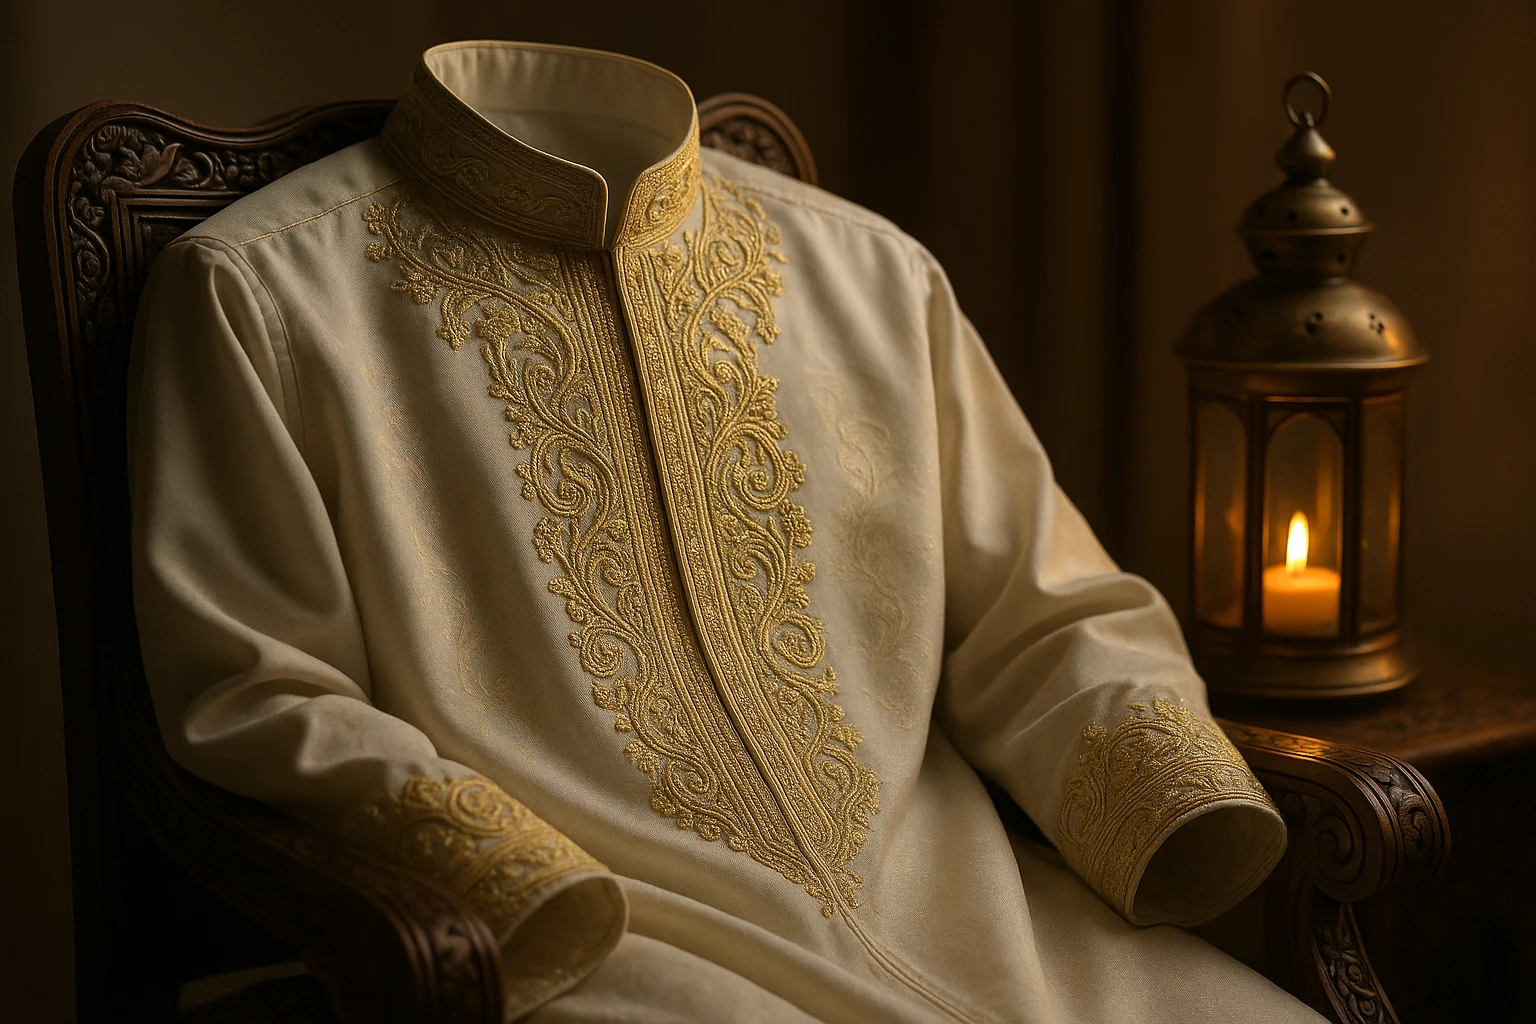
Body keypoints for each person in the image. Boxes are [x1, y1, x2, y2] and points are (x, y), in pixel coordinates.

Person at [129, 39, 1325, 1023]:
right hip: (605, 949)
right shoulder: (260, 292)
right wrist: (513, 889)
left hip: (987, 913)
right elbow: (262, 688)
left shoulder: (870, 271)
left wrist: (1164, 801)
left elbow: (1038, 605)